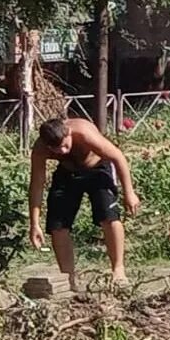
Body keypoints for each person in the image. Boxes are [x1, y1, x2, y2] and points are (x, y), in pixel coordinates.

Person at [27, 117, 141, 291]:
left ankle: (118, 271)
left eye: (65, 145)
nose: (63, 151)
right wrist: (34, 224)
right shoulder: (40, 149)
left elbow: (118, 157)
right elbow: (37, 184)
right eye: (56, 149)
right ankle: (68, 279)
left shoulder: (84, 133)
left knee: (108, 216)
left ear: (69, 133)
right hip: (68, 173)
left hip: (98, 169)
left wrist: (129, 193)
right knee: (57, 225)